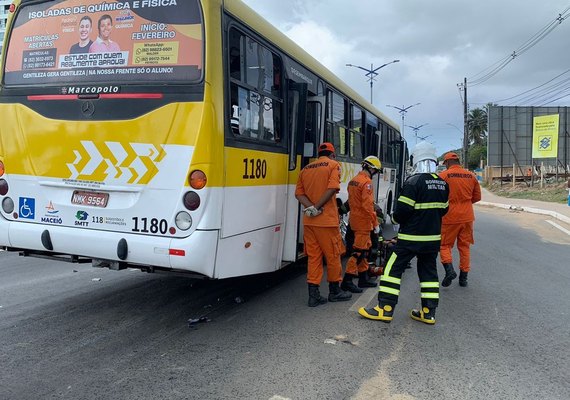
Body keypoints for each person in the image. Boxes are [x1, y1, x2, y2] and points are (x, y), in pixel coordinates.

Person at [358, 141, 449, 325]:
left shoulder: (413, 182)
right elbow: (444, 210)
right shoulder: (442, 184)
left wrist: (394, 219)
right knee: (429, 274)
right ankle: (428, 312)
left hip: (410, 239)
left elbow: (402, 212)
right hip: (432, 240)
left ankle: (385, 309)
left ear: (415, 158)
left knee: (392, 269)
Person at [295, 142, 352, 307]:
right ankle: (335, 291)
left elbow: (298, 194)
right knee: (334, 255)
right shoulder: (334, 165)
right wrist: (318, 207)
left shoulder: (306, 169)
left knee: (314, 258)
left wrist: (311, 208)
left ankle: (314, 296)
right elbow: (333, 188)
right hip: (326, 222)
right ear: (332, 154)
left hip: (310, 222)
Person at [438, 152, 481, 287]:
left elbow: (437, 196)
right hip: (467, 216)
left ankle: (449, 270)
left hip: (449, 216)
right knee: (464, 247)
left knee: (444, 245)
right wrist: (465, 204)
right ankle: (463, 278)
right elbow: (477, 197)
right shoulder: (471, 176)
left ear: (448, 163)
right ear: (457, 161)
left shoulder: (443, 176)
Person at [341, 156, 382, 293]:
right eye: (376, 171)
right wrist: (375, 223)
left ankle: (363, 278)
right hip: (364, 222)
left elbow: (352, 202)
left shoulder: (353, 181)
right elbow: (368, 206)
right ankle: (347, 280)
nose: (375, 174)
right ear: (371, 168)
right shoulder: (366, 183)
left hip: (354, 220)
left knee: (364, 249)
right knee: (358, 252)